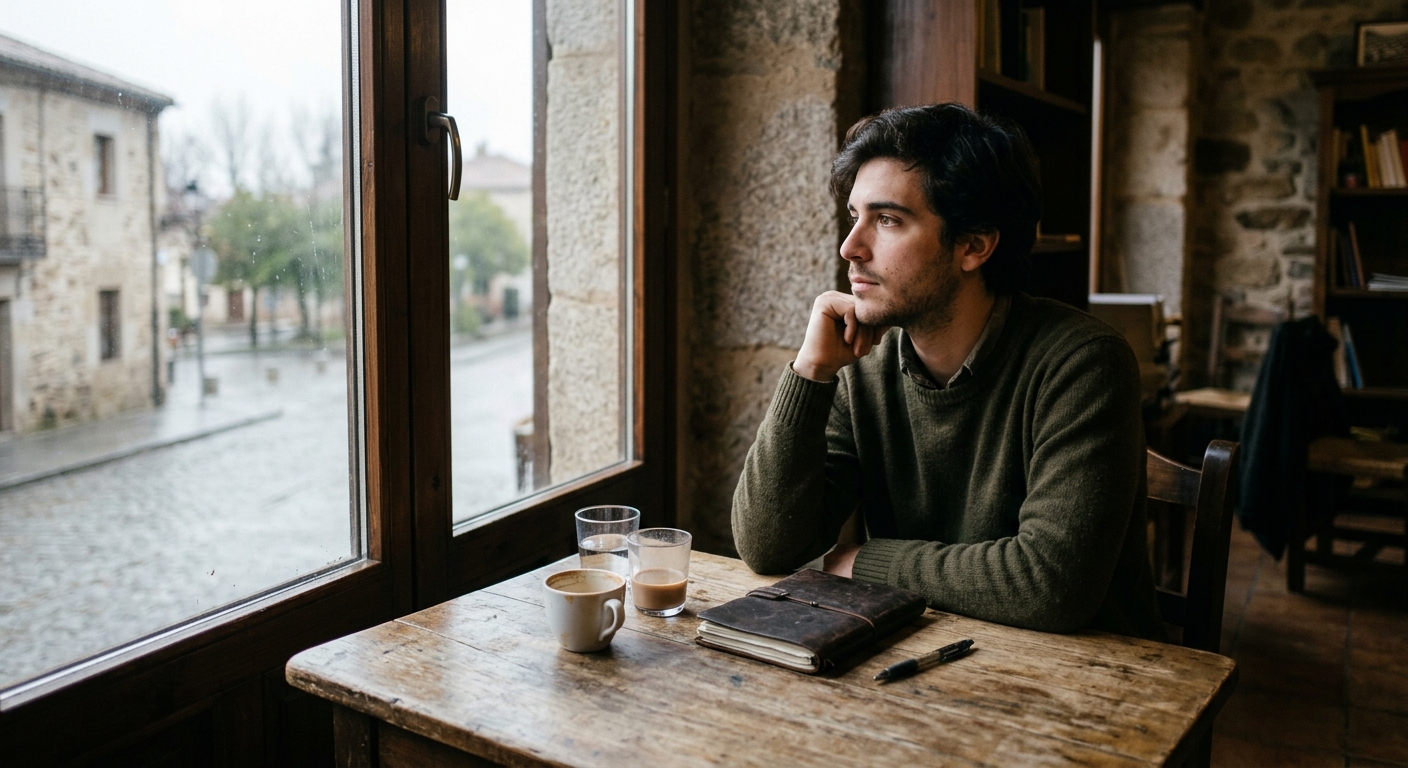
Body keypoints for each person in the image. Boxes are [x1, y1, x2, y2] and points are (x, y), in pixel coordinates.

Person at [731, 103, 1164, 639]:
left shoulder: (1083, 363)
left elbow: (1053, 585)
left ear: (974, 245)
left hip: (1086, 684)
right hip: (925, 663)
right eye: (854, 217)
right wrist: (810, 371)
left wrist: (866, 562)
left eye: (887, 220)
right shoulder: (862, 368)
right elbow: (767, 545)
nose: (850, 248)